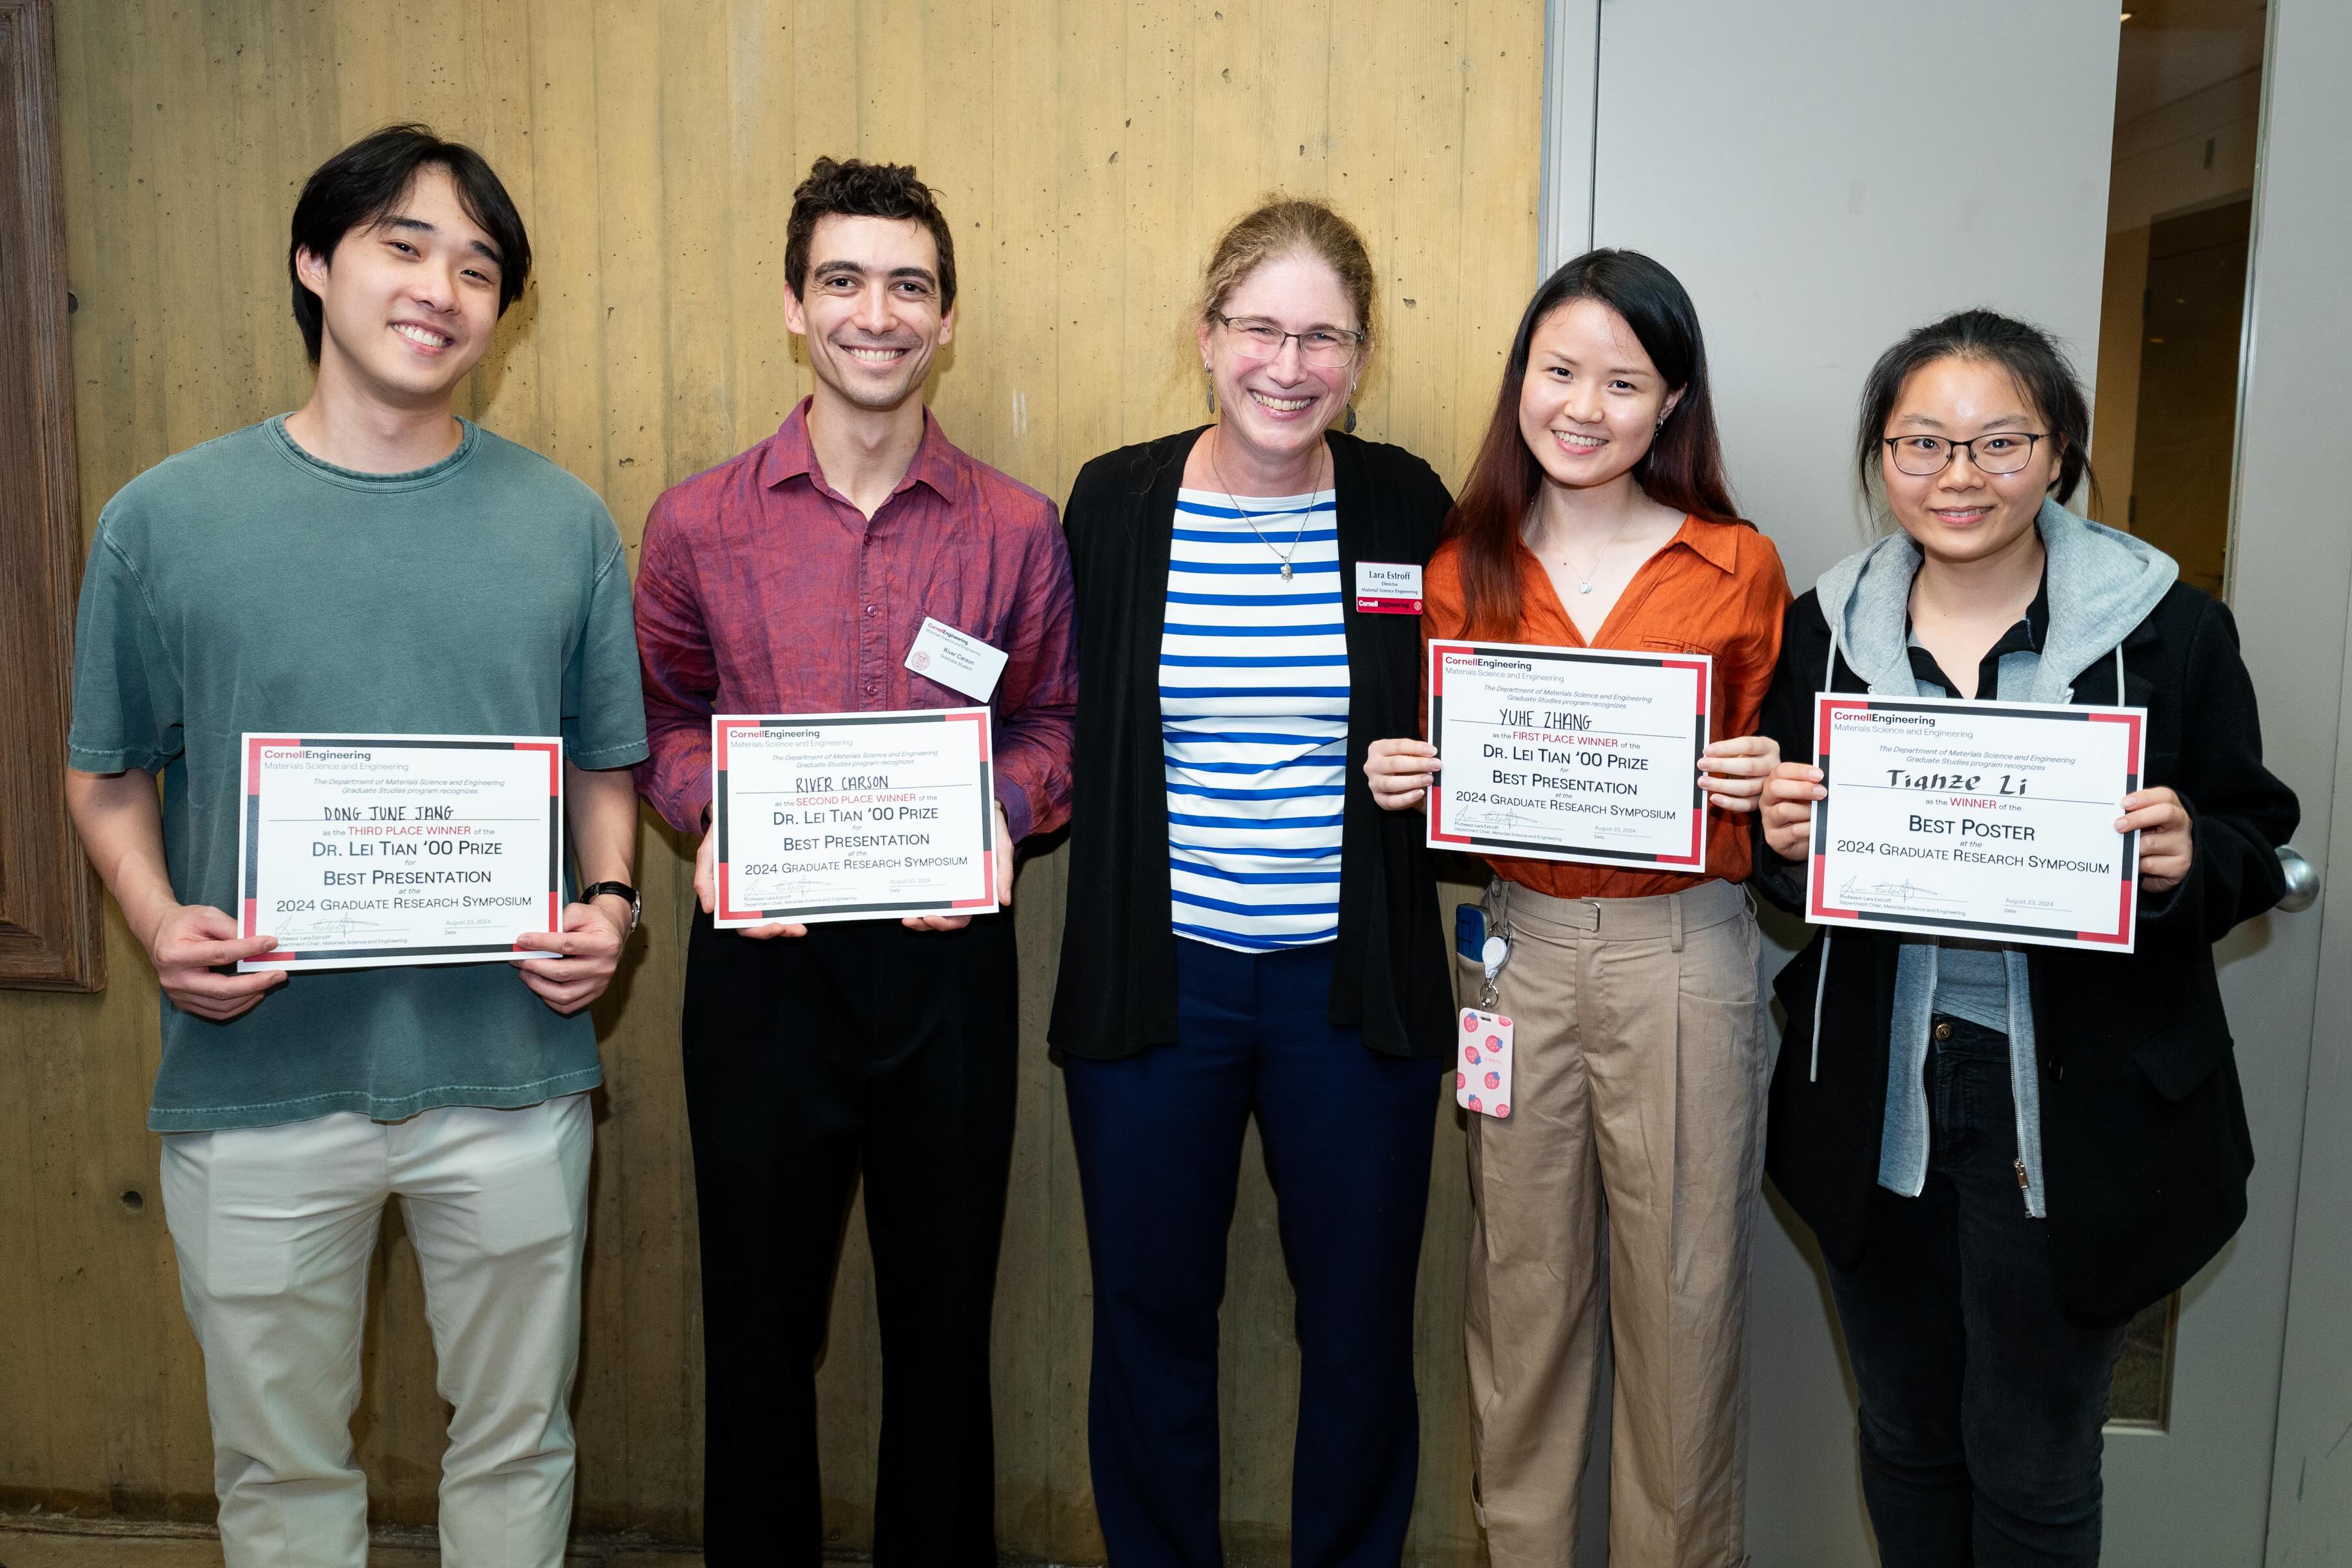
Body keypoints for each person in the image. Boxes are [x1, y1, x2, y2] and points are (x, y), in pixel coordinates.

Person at [63, 125, 647, 1568]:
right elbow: (105, 776)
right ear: (315, 263)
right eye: (404, 244)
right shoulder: (163, 521)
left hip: (510, 1077)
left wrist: (615, 903)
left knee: (518, 1443)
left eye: (478, 265)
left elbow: (610, 762)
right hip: (259, 1078)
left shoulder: (564, 522)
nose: (442, 286)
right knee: (277, 1471)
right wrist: (153, 922)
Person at [1752, 310, 2298, 1567]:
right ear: (1882, 458)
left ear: (2059, 454)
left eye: (2001, 442)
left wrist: (2185, 861)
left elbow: (2254, 834)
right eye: (1923, 443)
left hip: (2081, 1107)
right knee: (1901, 1436)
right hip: (1878, 1094)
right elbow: (1795, 878)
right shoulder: (1823, 625)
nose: (1959, 476)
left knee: (2038, 1464)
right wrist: (1784, 839)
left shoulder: (2173, 628)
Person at [631, 155, 1076, 1565]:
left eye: (908, 286)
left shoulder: (1019, 527)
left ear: (947, 320)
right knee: (759, 1335)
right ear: (792, 305)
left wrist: (995, 815)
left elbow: (1054, 724)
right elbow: (657, 720)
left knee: (945, 1336)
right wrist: (714, 822)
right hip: (764, 976)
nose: (874, 313)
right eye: (843, 281)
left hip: (953, 974)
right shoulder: (699, 521)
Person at [1365, 249, 1789, 1567]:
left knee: (1685, 1311)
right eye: (1561, 372)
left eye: (1625, 380)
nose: (1586, 405)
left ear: (1670, 405)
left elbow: (1780, 793)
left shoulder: (1737, 566)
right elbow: (1451, 773)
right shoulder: (1459, 567)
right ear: (1521, 385)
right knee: (1522, 1305)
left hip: (1683, 959)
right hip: (1518, 955)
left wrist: (1768, 780)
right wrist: (1404, 773)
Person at [1048, 196, 1454, 1566]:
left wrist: (1442, 766)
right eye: (1262, 329)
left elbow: (1478, 716)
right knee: (1150, 1317)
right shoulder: (1114, 499)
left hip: (1351, 992)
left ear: (1360, 353)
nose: (1291, 365)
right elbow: (1060, 713)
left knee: (1355, 1325)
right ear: (1208, 335)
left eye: (1324, 336)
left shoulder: (1405, 502)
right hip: (1166, 985)